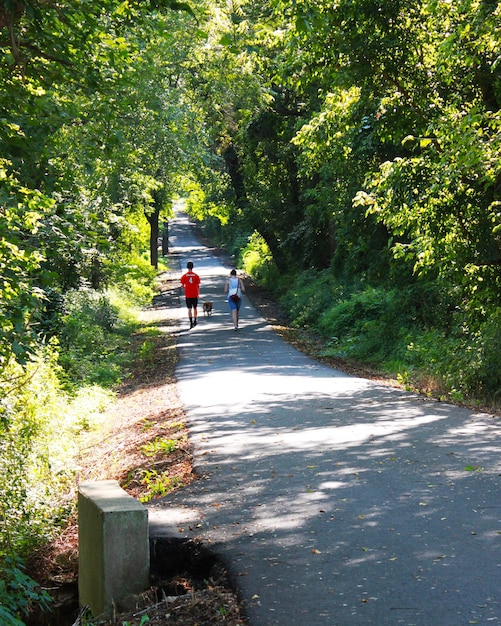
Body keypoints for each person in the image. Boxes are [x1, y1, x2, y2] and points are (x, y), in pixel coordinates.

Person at [180, 261, 201, 329]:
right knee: (195, 308)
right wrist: (198, 293)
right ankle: (195, 320)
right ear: (192, 267)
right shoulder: (196, 275)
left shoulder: (184, 276)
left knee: (189, 309)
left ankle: (190, 321)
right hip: (195, 294)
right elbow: (198, 285)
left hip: (188, 294)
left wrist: (186, 288)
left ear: (187, 267)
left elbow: (182, 285)